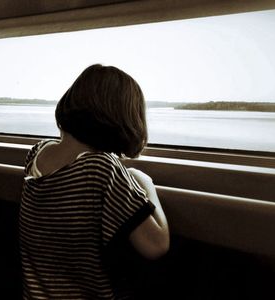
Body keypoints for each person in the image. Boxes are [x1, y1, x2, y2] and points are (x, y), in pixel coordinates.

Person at [19, 64, 169, 299]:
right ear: (121, 120)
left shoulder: (37, 153)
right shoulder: (101, 168)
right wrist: (146, 183)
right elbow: (156, 245)